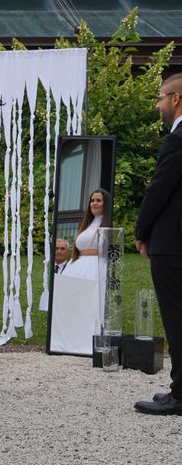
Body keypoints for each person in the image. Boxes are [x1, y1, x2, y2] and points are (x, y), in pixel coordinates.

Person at [134, 73, 182, 415]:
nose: (158, 103)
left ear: (176, 98)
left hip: (173, 243)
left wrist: (141, 231)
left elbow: (158, 189)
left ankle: (181, 395)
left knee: (177, 318)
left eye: (161, 97)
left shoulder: (178, 140)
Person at [62, 189, 111, 280]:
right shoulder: (85, 225)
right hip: (76, 266)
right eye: (92, 201)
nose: (94, 203)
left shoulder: (109, 225)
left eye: (98, 200)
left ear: (106, 204)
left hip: (97, 267)